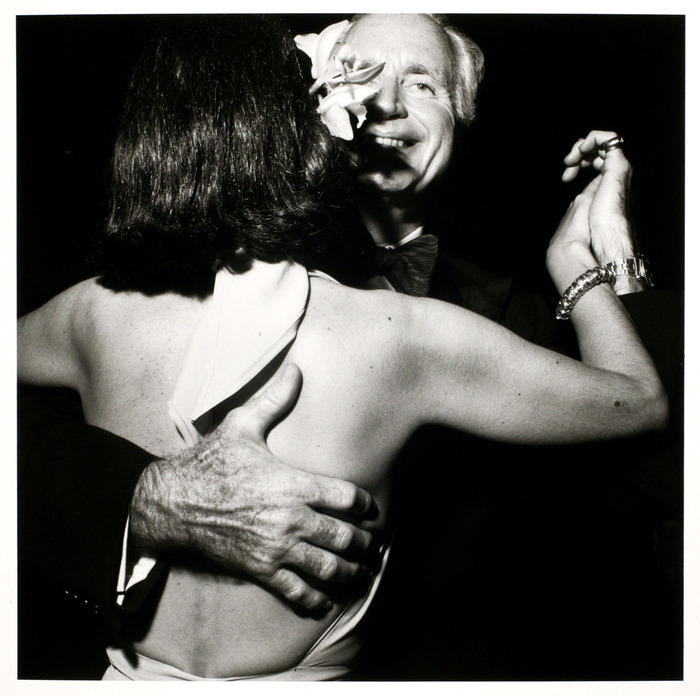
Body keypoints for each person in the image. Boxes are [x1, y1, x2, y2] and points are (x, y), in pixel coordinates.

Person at [17, 16, 668, 681]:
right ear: (306, 114)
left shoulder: (94, 309)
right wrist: (139, 498)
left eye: (422, 83)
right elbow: (640, 399)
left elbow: (661, 476)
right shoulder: (402, 334)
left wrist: (620, 261)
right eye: (358, 73)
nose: (383, 102)